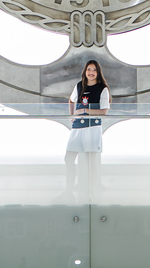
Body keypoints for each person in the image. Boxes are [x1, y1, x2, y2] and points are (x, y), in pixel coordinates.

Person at [63, 59, 109, 200]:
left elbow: (104, 112)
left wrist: (86, 110)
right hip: (77, 127)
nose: (91, 72)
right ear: (85, 72)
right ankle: (69, 189)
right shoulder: (79, 86)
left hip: (92, 127)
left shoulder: (103, 89)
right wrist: (72, 115)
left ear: (98, 73)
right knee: (68, 158)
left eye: (94, 70)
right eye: (89, 69)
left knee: (90, 163)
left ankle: (92, 192)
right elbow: (71, 100)